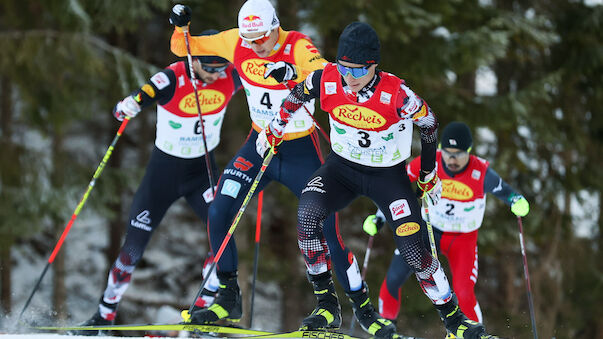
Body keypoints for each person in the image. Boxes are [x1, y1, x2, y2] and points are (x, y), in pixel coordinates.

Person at [259, 22, 497, 338]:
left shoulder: (397, 94)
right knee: (307, 214)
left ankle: (454, 318)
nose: (350, 78)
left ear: (374, 65)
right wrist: (276, 127)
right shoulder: (328, 78)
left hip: (388, 178)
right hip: (341, 170)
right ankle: (327, 304)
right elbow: (299, 93)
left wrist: (428, 174)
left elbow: (428, 123)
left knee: (415, 251)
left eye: (358, 71)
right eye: (344, 68)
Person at [169, 0, 357, 326]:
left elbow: (329, 74)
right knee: (220, 207)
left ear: (275, 28)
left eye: (260, 39)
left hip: (300, 149)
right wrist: (180, 26)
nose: (254, 46)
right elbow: (182, 47)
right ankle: (228, 298)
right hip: (259, 146)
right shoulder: (236, 41)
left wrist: (294, 72)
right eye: (248, 39)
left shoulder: (297, 44)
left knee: (325, 225)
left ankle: (330, 305)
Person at [71, 30, 242, 335]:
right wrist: (127, 107)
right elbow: (138, 98)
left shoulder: (231, 75)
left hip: (201, 172)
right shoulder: (172, 79)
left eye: (221, 67)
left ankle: (203, 313)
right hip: (163, 174)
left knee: (224, 235)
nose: (217, 74)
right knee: (132, 248)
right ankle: (103, 316)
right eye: (210, 68)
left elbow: (263, 78)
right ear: (193, 59)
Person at [361, 121, 530, 324]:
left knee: (463, 292)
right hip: (427, 231)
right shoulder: (430, 162)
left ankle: (474, 336)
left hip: (462, 238)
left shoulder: (481, 173)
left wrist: (516, 201)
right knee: (393, 279)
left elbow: (507, 193)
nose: (452, 159)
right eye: (447, 152)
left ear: (469, 151)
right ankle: (385, 329)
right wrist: (379, 217)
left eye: (458, 153)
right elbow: (397, 188)